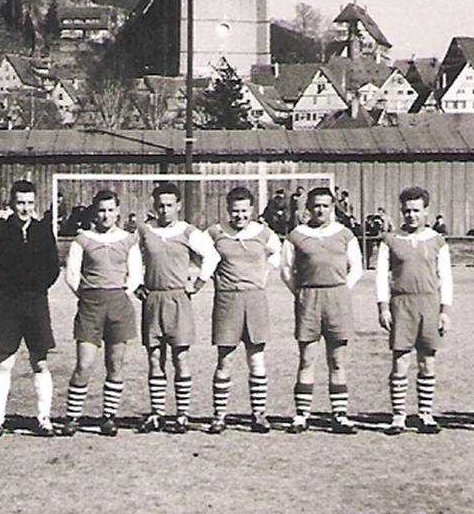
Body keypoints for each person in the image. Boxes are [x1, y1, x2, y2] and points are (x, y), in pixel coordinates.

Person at [0, 180, 62, 439]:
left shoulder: (43, 230)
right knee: (4, 362)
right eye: (19, 203)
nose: (24, 209)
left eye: (28, 203)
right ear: (11, 204)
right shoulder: (0, 232)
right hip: (9, 304)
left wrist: (36, 288)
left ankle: (44, 418)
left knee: (40, 362)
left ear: (34, 204)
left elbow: (52, 268)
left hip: (36, 302)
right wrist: (7, 292)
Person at [136, 183, 221, 434]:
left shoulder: (188, 231)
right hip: (153, 299)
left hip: (178, 299)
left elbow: (212, 256)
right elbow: (129, 257)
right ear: (154, 206)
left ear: (178, 206)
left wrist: (198, 283)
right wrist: (135, 284)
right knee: (154, 357)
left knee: (180, 357)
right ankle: (157, 414)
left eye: (169, 206)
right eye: (160, 206)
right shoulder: (144, 231)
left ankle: (182, 414)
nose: (164, 210)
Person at [59, 190, 144, 436]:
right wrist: (88, 296)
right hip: (90, 305)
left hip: (119, 303)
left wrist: (120, 294)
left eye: (110, 210)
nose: (105, 215)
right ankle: (72, 417)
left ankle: (108, 417)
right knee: (84, 364)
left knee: (115, 364)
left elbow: (135, 274)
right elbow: (72, 275)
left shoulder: (128, 239)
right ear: (94, 213)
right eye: (101, 210)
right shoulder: (82, 239)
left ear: (117, 211)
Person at [283, 187, 364, 434]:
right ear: (308, 207)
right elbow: (287, 271)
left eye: (325, 205)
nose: (320, 210)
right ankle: (301, 415)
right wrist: (301, 293)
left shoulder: (345, 234)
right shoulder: (297, 235)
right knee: (306, 358)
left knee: (337, 359)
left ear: (332, 207)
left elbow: (357, 268)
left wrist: (341, 289)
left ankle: (339, 415)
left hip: (337, 298)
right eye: (316, 205)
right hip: (309, 298)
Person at [375, 186, 453, 435]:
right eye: (407, 211)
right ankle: (398, 416)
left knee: (427, 361)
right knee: (400, 361)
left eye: (416, 211)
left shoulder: (437, 241)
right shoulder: (391, 240)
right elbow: (380, 276)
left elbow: (446, 278)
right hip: (402, 304)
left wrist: (445, 310)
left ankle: (425, 414)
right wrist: (383, 306)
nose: (411, 215)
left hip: (429, 303)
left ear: (426, 211)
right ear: (401, 211)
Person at [206, 186, 283, 435]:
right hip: (227, 300)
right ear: (228, 210)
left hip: (255, 300)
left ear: (251, 210)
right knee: (225, 359)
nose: (239, 215)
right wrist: (212, 275)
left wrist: (264, 274)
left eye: (244, 211)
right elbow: (202, 257)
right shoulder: (216, 233)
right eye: (235, 211)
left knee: (256, 358)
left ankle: (258, 414)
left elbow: (277, 255)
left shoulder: (264, 233)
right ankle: (219, 416)